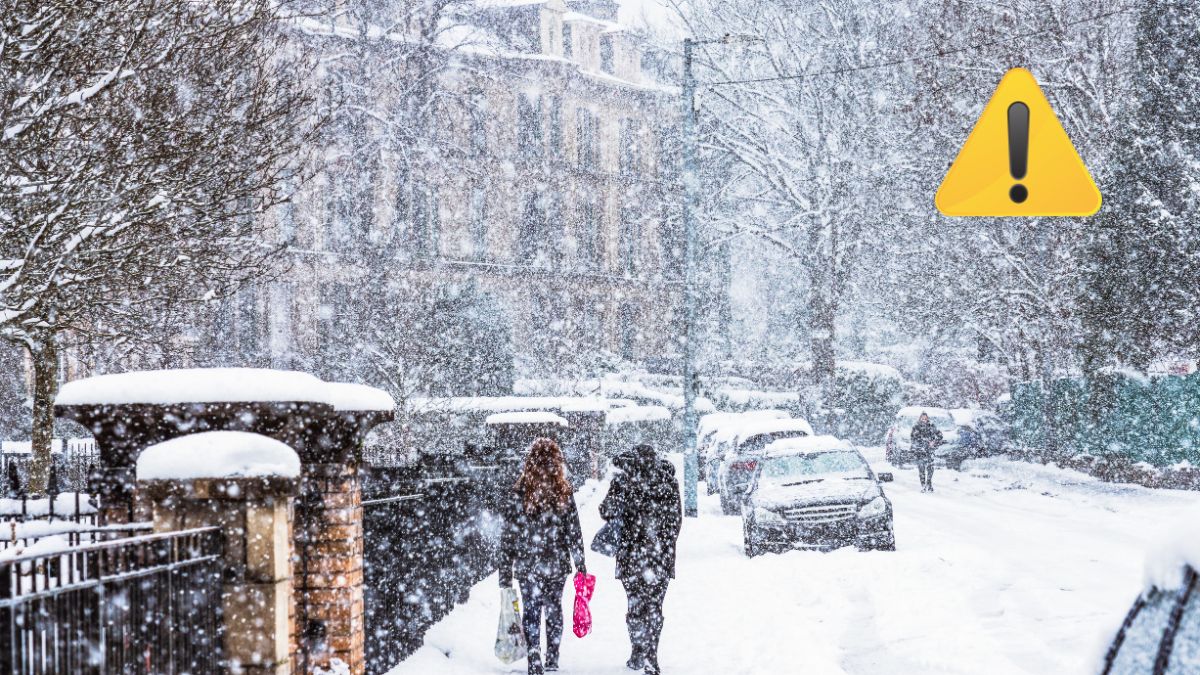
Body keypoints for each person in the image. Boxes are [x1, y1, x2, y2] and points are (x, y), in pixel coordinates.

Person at [499, 437, 587, 675]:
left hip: (529, 562)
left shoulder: (519, 492)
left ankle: (534, 653)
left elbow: (509, 535)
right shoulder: (563, 491)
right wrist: (580, 563)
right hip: (556, 562)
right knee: (553, 608)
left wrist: (505, 571)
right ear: (557, 462)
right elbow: (573, 530)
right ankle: (553, 657)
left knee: (531, 609)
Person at [599, 444, 682, 675]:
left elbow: (606, 511)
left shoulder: (623, 482)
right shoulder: (667, 482)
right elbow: (676, 523)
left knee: (635, 604)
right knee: (654, 606)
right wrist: (663, 544)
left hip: (630, 555)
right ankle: (651, 655)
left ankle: (638, 651)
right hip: (660, 556)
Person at [910, 412, 944, 493]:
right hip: (920, 451)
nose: (924, 420)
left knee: (930, 468)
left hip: (929, 451)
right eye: (922, 418)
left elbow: (940, 436)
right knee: (921, 468)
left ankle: (929, 483)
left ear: (927, 419)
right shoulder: (916, 427)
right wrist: (922, 443)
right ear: (920, 418)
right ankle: (923, 485)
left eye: (925, 418)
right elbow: (913, 439)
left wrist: (934, 442)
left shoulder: (931, 426)